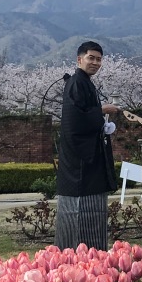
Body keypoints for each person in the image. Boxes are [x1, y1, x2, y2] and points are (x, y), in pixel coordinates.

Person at [55, 41, 120, 251]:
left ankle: (93, 253)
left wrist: (103, 124)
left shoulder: (85, 83)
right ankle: (82, 254)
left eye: (99, 59)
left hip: (88, 157)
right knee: (80, 215)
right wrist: (101, 111)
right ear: (79, 59)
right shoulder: (76, 82)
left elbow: (84, 115)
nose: (95, 62)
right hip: (80, 161)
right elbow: (74, 120)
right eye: (91, 58)